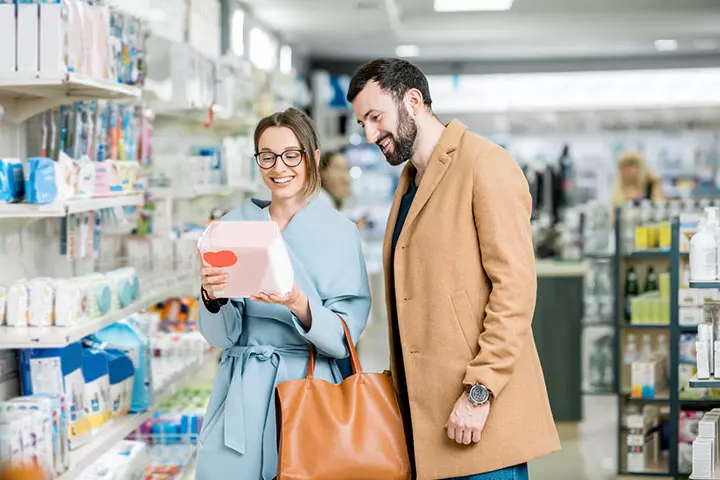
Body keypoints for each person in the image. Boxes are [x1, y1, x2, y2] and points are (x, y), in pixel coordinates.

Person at [347, 58, 560, 480]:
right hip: (426, 419)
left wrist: (479, 392)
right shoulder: (410, 181)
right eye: (362, 124)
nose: (370, 134)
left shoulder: (484, 164)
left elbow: (514, 290)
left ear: (412, 101)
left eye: (375, 117)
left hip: (477, 418)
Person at [195, 108, 371, 480]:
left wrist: (298, 303)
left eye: (293, 155)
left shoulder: (340, 232)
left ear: (314, 157)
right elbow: (221, 336)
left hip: (309, 386)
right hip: (242, 390)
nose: (280, 168)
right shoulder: (233, 226)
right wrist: (213, 298)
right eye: (268, 156)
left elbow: (344, 340)